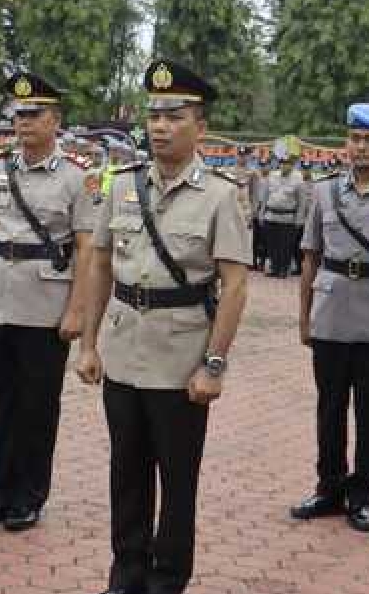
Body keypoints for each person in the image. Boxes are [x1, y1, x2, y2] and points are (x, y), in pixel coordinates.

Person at [76, 58, 251, 594]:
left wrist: (214, 364)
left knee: (177, 480)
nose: (160, 126)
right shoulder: (124, 186)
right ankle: (126, 572)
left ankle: (168, 578)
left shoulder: (221, 196)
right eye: (154, 115)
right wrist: (87, 344)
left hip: (181, 362)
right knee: (125, 472)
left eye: (174, 116)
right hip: (125, 349)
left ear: (199, 126)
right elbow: (100, 264)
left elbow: (235, 285)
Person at [0, 71, 96, 532]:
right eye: (19, 115)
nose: (24, 122)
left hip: (45, 304)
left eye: (34, 114)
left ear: (56, 120)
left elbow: (86, 249)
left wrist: (77, 310)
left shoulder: (77, 178)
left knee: (37, 406)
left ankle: (29, 495)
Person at [290, 103, 369, 533]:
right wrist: (305, 316)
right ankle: (328, 487)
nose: (360, 147)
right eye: (354, 139)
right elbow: (310, 258)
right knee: (329, 409)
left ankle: (362, 494)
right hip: (331, 313)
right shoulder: (325, 192)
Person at [262, 155, 305, 277]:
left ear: (292, 164)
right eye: (282, 163)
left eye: (287, 163)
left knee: (285, 245)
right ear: (279, 164)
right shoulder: (272, 176)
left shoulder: (298, 178)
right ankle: (274, 267)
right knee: (271, 244)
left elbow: (302, 202)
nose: (284, 165)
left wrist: (299, 219)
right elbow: (265, 196)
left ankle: (283, 268)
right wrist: (261, 214)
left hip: (288, 218)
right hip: (270, 215)